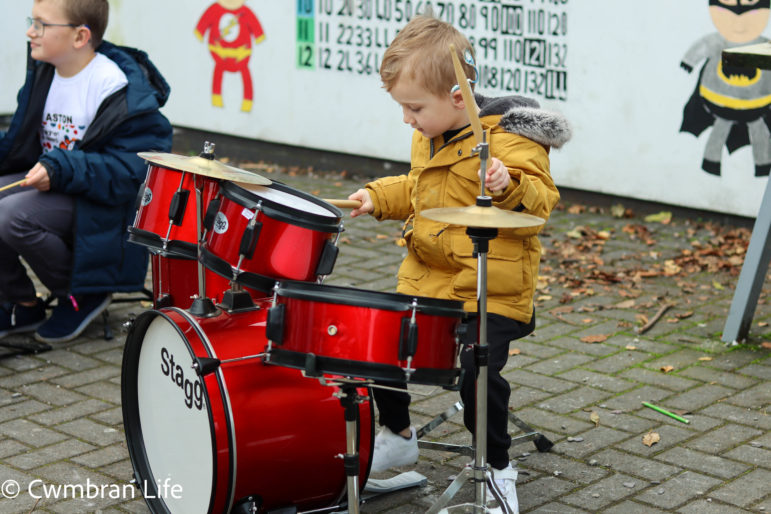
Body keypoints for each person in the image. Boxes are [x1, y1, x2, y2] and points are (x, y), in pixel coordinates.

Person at [347, 15, 570, 512]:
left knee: (477, 367)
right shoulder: (430, 132)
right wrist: (378, 196)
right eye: (403, 108)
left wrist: (507, 185)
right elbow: (421, 191)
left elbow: (541, 203)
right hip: (430, 278)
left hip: (492, 287)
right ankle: (399, 433)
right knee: (376, 339)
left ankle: (496, 467)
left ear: (456, 96)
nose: (407, 118)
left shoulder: (512, 137)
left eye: (413, 108)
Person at [0, 0, 172, 343]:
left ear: (80, 36)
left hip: (102, 206)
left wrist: (60, 167)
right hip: (61, 185)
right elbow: (18, 144)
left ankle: (84, 292)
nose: (30, 32)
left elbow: (133, 172)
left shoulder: (118, 87)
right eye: (32, 21)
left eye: (41, 25)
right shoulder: (45, 72)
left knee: (9, 215)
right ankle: (21, 301)